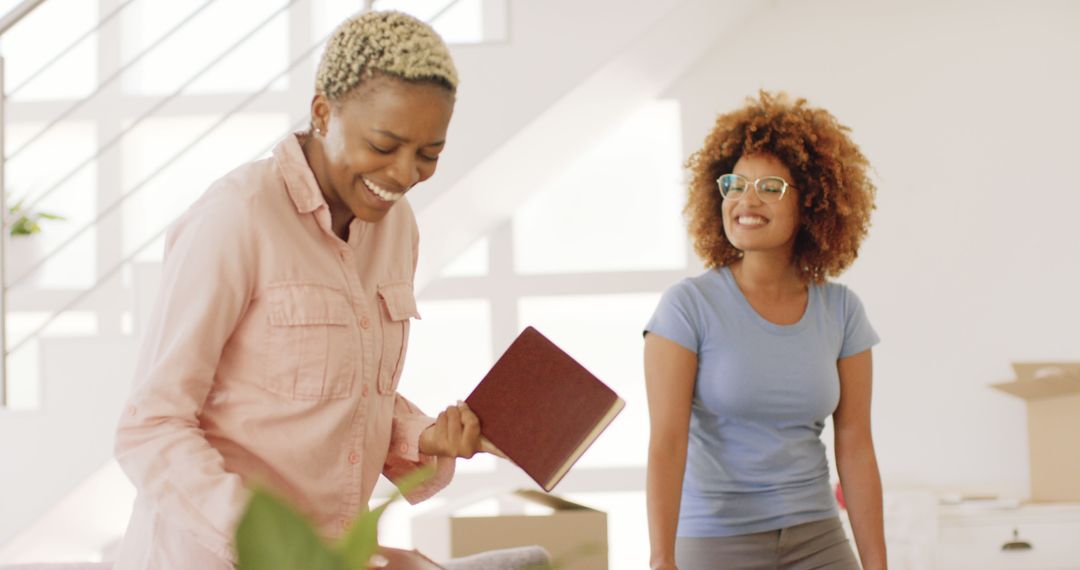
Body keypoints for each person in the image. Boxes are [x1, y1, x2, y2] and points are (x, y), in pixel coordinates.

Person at [113, 11, 489, 569]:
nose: (405, 173)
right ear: (322, 113)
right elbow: (150, 427)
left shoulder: (398, 227)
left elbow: (346, 394)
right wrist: (275, 548)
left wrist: (422, 437)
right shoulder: (236, 217)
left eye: (429, 154)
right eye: (384, 145)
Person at [644, 91, 886, 569]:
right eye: (735, 184)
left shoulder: (842, 312)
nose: (746, 200)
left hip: (817, 538)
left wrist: (877, 565)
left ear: (813, 204)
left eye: (771, 187)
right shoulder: (687, 308)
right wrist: (661, 560)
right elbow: (667, 444)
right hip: (714, 541)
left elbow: (855, 446)